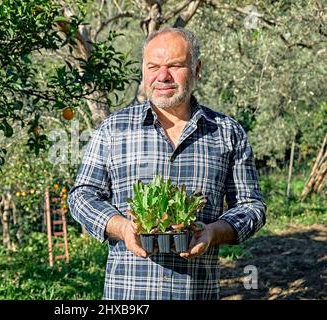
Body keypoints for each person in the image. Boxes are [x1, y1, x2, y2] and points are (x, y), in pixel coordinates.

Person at [67, 27, 266, 300]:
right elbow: (82, 196)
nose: (162, 76)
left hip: (196, 293)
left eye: (174, 65)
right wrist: (122, 227)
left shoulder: (227, 133)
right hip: (127, 296)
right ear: (143, 71)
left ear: (196, 69)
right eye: (153, 66)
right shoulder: (114, 130)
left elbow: (251, 206)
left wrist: (213, 233)